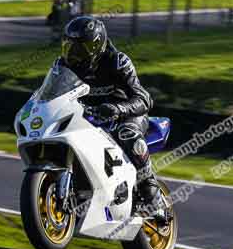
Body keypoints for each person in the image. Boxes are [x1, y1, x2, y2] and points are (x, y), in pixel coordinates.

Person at [57, 15, 169, 225]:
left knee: (127, 134)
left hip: (127, 115)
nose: (72, 53)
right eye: (69, 46)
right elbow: (49, 91)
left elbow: (144, 98)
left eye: (79, 49)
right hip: (90, 115)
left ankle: (151, 191)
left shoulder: (117, 61)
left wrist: (118, 108)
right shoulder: (64, 65)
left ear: (96, 46)